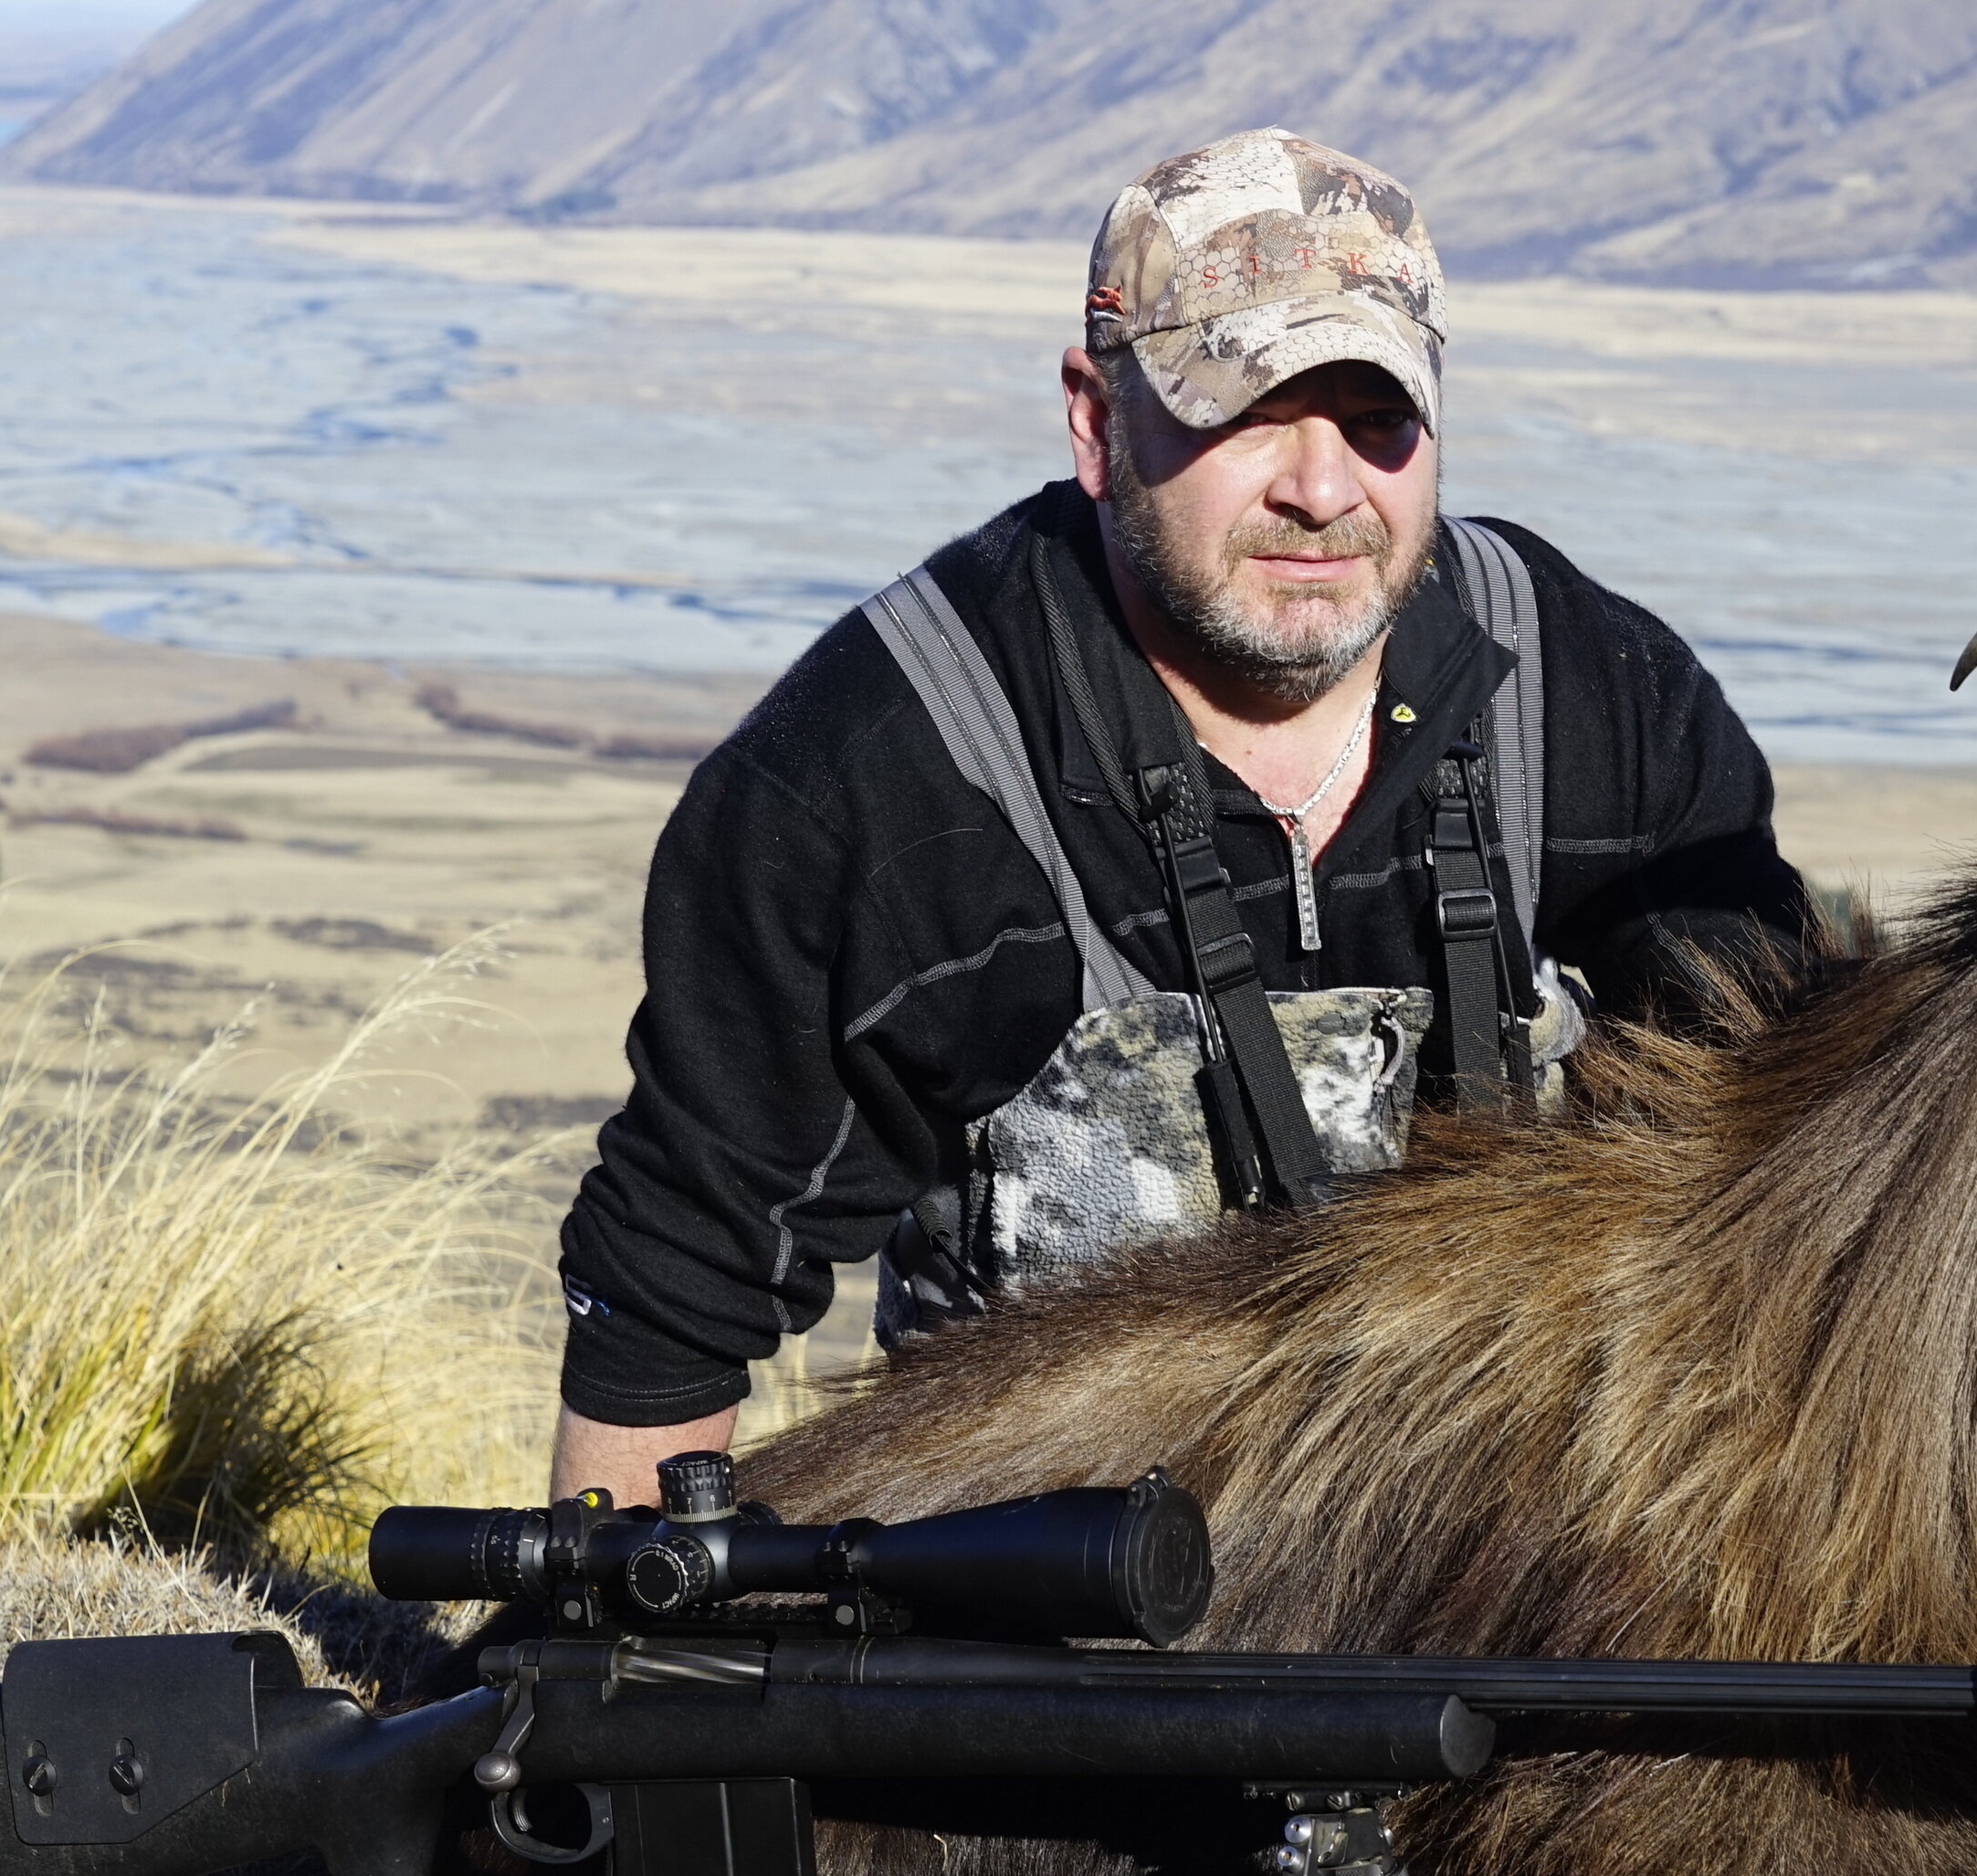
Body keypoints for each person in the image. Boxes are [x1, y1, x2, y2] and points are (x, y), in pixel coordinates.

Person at [547, 128, 1811, 1502]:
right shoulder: (881, 774)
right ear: (1096, 420)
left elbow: (1790, 1160)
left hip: (1512, 1575)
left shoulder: (1596, 699)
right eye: (1244, 411)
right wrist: (612, 1658)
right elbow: (678, 1288)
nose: (1322, 491)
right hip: (1045, 1614)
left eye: (1376, 419)